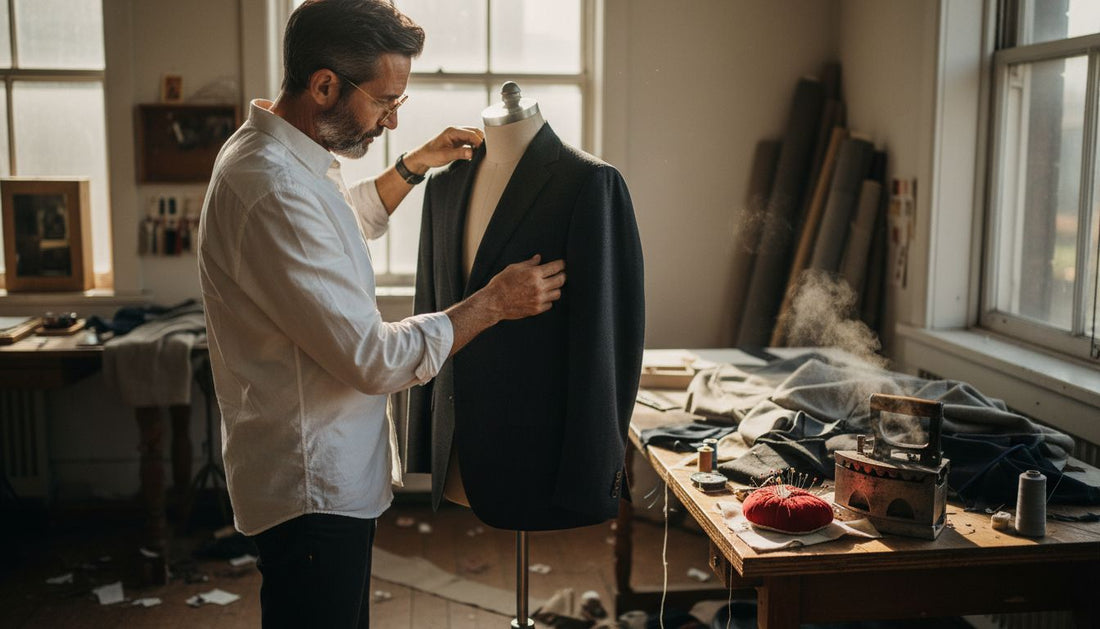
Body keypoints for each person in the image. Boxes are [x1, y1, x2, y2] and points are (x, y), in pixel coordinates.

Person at [196, 1, 566, 627]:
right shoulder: (274, 188)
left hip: (310, 475)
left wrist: (412, 167)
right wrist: (493, 303)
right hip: (311, 488)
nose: (391, 121)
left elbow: (340, 227)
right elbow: (373, 358)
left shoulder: (277, 154)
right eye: (385, 102)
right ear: (324, 86)